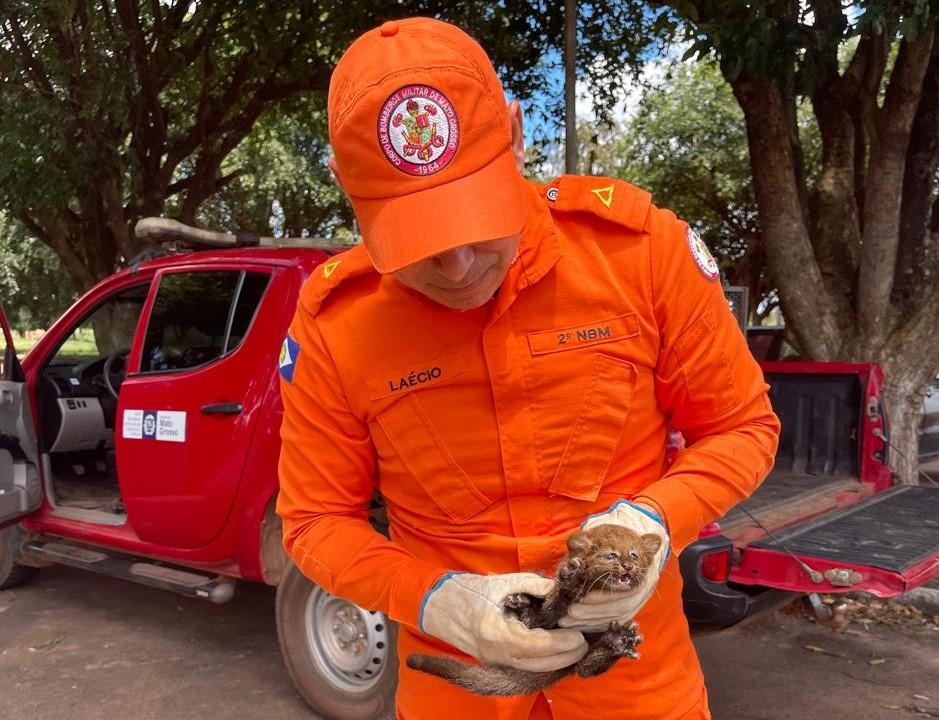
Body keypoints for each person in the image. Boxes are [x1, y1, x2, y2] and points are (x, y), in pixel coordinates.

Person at [277, 16, 780, 720]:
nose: (456, 266)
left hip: (638, 687)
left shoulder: (638, 255)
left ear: (514, 132)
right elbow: (314, 520)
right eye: (416, 239)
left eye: (473, 221)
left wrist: (653, 523)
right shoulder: (336, 322)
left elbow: (742, 427)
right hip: (458, 693)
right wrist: (438, 601)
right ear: (341, 181)